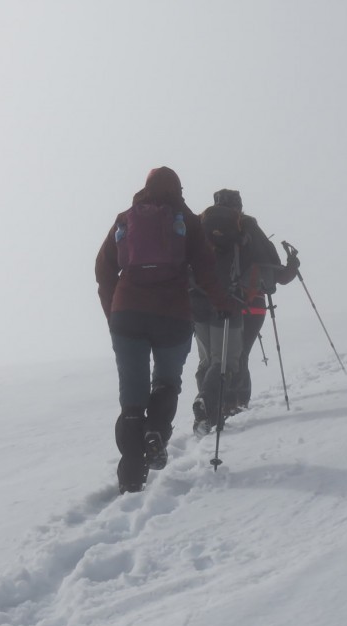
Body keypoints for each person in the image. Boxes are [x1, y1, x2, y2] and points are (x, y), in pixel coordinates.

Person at [95, 167, 234, 494]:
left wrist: (113, 314)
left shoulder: (125, 219)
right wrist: (222, 302)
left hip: (127, 315)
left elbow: (103, 271)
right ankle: (156, 431)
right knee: (167, 381)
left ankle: (131, 475)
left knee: (131, 399)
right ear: (178, 189)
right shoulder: (186, 221)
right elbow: (205, 270)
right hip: (172, 315)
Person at [210, 189, 300, 413]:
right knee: (241, 354)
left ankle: (219, 404)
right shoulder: (250, 228)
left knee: (221, 357)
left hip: (217, 305)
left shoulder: (208, 230)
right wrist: (293, 266)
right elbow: (276, 273)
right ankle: (237, 402)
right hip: (253, 303)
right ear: (240, 206)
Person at [189, 197, 270, 436]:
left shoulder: (199, 225)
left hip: (197, 301)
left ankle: (209, 415)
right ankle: (212, 402)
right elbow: (267, 260)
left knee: (207, 361)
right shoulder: (244, 228)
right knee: (227, 360)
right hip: (232, 302)